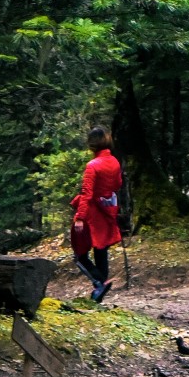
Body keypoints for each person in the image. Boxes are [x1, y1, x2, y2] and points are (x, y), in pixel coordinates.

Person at [73, 126, 124, 303]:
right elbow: (117, 185)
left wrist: (80, 218)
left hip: (92, 214)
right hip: (108, 210)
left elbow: (87, 193)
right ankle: (100, 289)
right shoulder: (115, 162)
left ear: (92, 144)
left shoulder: (92, 166)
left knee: (80, 255)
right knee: (101, 249)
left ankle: (99, 282)